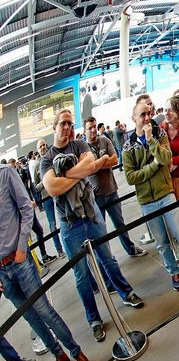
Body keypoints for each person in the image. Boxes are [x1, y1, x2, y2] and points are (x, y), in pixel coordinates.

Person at [41, 109, 145, 342]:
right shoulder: (46, 159)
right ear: (54, 127)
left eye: (70, 123)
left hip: (91, 214)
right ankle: (94, 319)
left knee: (107, 258)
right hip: (69, 224)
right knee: (81, 276)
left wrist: (65, 173)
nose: (67, 127)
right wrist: (79, 173)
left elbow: (90, 167)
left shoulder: (79, 145)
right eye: (63, 124)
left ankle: (126, 293)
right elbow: (53, 188)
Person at [1, 160, 95, 361]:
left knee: (44, 310)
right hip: (2, 273)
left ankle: (76, 353)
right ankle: (59, 355)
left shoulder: (6, 174)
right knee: (31, 318)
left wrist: (22, 247)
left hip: (19, 259)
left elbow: (26, 208)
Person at [123, 96, 179, 292]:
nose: (147, 117)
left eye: (149, 113)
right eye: (142, 114)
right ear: (133, 118)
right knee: (161, 242)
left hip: (166, 193)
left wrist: (151, 141)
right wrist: (153, 166)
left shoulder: (159, 134)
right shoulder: (127, 146)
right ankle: (173, 271)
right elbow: (131, 177)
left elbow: (166, 158)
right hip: (146, 200)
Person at [84, 117, 146, 259]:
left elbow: (115, 160)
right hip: (96, 196)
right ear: (85, 130)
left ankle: (130, 249)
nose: (93, 130)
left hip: (111, 191)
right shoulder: (84, 148)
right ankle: (106, 259)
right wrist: (104, 159)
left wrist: (97, 164)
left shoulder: (105, 141)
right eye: (89, 128)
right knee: (100, 230)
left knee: (120, 224)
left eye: (94, 127)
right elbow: (89, 169)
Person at [33, 140, 65, 258]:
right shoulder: (36, 166)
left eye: (44, 145)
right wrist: (45, 181)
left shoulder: (53, 158)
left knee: (65, 218)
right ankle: (59, 249)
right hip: (46, 198)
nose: (43, 147)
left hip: (58, 193)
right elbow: (36, 187)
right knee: (52, 224)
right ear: (37, 150)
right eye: (40, 146)